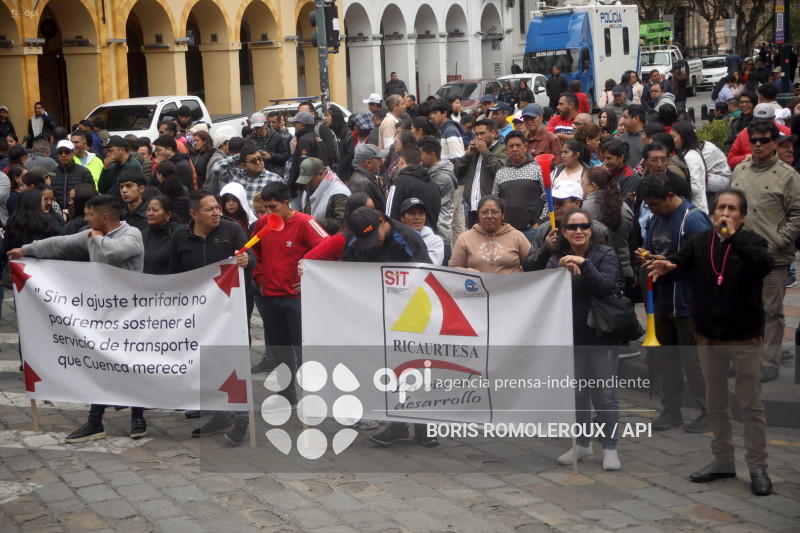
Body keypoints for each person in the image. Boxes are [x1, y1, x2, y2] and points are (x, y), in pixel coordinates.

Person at [648, 189, 774, 496]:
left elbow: (762, 265)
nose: (725, 213)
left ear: (742, 217)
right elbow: (682, 260)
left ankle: (757, 466)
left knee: (750, 404)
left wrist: (733, 238)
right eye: (720, 208)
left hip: (744, 336)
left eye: (732, 209)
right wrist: (668, 265)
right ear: (713, 213)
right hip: (708, 335)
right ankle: (722, 460)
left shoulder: (752, 241)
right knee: (716, 404)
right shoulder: (701, 241)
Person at [8, 195, 145, 442]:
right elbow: (60, 243)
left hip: (130, 316)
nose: (86, 219)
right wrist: (25, 250)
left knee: (131, 366)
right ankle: (95, 422)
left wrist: (97, 238)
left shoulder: (132, 234)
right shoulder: (93, 234)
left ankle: (138, 416)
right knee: (98, 365)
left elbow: (115, 252)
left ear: (104, 217)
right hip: (102, 315)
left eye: (90, 214)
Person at [167, 190, 254, 444]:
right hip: (197, 313)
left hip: (230, 311)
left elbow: (253, 258)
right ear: (194, 214)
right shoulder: (179, 237)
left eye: (217, 207)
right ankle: (220, 415)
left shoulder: (231, 231)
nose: (217, 212)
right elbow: (175, 275)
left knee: (232, 360)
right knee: (207, 362)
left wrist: (247, 260)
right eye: (210, 209)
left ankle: (240, 418)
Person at [636, 173, 713, 432]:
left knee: (694, 362)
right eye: (648, 206)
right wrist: (647, 257)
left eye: (655, 204)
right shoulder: (656, 219)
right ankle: (672, 410)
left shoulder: (693, 220)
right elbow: (654, 251)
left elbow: (707, 261)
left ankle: (708, 412)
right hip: (662, 300)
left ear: (671, 196)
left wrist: (673, 266)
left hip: (687, 303)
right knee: (666, 360)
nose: (652, 210)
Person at [546, 208, 621, 471]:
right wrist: (558, 269)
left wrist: (583, 264)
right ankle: (583, 444)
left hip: (601, 335)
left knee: (605, 392)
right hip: (571, 336)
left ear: (591, 229)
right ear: (564, 232)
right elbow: (545, 292)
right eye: (573, 227)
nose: (579, 231)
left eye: (584, 226)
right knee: (577, 393)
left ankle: (610, 447)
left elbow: (606, 286)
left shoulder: (605, 254)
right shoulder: (555, 258)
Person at [730, 121, 800, 382]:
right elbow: (730, 205)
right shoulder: (741, 168)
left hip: (773, 256)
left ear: (774, 143)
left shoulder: (789, 176)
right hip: (740, 253)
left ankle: (769, 360)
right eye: (754, 139)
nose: (757, 144)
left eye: (763, 140)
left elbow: (798, 214)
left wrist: (780, 240)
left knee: (771, 311)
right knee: (740, 308)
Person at [250, 182, 328, 402]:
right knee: (280, 352)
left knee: (304, 351)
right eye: (265, 208)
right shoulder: (263, 223)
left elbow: (329, 247)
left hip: (298, 300)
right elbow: (255, 252)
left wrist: (311, 278)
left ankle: (312, 396)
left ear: (287, 203)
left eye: (273, 207)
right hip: (271, 299)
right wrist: (259, 278)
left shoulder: (305, 222)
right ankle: (287, 395)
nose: (268, 213)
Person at [449, 194, 531, 273]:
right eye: (484, 212)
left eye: (494, 212)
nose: (489, 216)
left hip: (512, 287)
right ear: (478, 214)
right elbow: (453, 269)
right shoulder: (465, 238)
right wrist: (467, 272)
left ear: (503, 214)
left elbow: (532, 266)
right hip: (477, 286)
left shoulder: (517, 236)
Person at [491, 130, 547, 240]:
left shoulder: (538, 169)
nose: (515, 149)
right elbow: (495, 201)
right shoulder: (500, 173)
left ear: (525, 146)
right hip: (507, 232)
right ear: (506, 149)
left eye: (518, 145)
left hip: (533, 231)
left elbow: (549, 199)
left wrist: (539, 223)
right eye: (511, 146)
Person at [456, 119, 509, 230]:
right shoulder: (474, 152)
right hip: (472, 209)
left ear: (494, 133)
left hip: (492, 211)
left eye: (483, 133)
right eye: (476, 134)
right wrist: (467, 156)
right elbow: (457, 173)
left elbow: (500, 170)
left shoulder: (502, 151)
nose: (479, 137)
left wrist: (485, 151)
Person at [206, 144, 282, 207]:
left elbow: (283, 204)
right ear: (244, 165)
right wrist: (238, 157)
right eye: (253, 161)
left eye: (260, 158)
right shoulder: (235, 174)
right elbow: (215, 169)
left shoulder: (274, 179)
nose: (258, 162)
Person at [385, 144, 441, 230]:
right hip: (431, 239)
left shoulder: (399, 182)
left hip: (406, 240)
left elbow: (389, 218)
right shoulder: (434, 184)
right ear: (420, 162)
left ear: (401, 161)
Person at [419, 137, 456, 256]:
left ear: (432, 154)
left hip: (440, 236)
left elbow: (425, 201)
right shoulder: (428, 172)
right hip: (430, 233)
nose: (418, 158)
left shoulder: (443, 177)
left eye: (420, 154)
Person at [727, 104, 791, 169]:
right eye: (753, 140)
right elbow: (730, 159)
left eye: (765, 122)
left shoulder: (786, 132)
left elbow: (793, 158)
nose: (761, 124)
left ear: (773, 118)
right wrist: (745, 158)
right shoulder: (744, 133)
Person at [297, 157, 350, 235]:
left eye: (310, 180)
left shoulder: (339, 192)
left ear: (321, 174)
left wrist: (311, 221)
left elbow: (341, 223)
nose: (307, 184)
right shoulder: (310, 188)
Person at [670, 122, 708, 213]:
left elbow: (695, 188)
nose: (672, 141)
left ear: (683, 137)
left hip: (696, 210)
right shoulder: (690, 153)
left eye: (673, 137)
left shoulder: (690, 157)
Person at [53, 140, 94, 214]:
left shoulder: (84, 172)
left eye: (67, 152)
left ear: (73, 153)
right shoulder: (52, 173)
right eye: (60, 152)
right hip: (58, 216)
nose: (63, 155)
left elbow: (90, 196)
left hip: (78, 215)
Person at [141, 195, 179, 275]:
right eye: (148, 210)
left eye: (155, 210)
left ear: (168, 214)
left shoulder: (177, 234)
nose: (150, 213)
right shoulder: (143, 234)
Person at [399, 198, 444, 265]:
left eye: (421, 213)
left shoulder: (435, 241)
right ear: (402, 218)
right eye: (412, 213)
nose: (417, 217)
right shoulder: (395, 237)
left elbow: (432, 268)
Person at [602, 139, 640, 210]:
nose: (605, 162)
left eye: (609, 158)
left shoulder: (630, 177)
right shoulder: (606, 171)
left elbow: (625, 206)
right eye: (603, 158)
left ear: (621, 157)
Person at [349, 144, 388, 212]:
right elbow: (365, 214)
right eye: (379, 159)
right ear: (369, 163)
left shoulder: (366, 178)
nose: (382, 163)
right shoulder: (363, 183)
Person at [323, 106, 354, 181]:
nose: (325, 118)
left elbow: (350, 154)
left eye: (328, 116)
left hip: (343, 175)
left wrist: (340, 168)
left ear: (335, 117)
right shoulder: (326, 132)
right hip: (328, 174)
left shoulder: (346, 133)